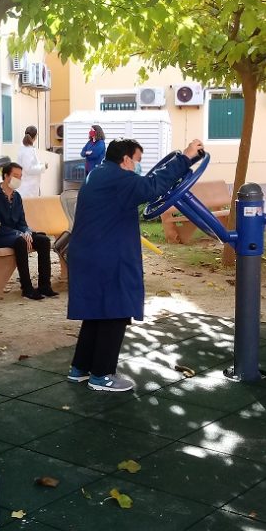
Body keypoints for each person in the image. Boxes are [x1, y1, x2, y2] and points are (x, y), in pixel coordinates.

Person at [67, 138, 204, 390]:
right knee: (116, 310)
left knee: (97, 312)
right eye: (138, 161)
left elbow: (149, 183)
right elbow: (152, 186)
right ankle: (102, 375)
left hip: (90, 253)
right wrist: (186, 157)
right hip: (105, 256)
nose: (139, 166)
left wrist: (186, 161)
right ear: (126, 159)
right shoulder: (119, 179)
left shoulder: (99, 174)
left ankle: (81, 368)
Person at [0, 162, 58, 301]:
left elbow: (22, 222)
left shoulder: (17, 196)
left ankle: (45, 286)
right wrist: (19, 234)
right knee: (20, 242)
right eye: (15, 175)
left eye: (20, 176)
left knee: (44, 241)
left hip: (15, 235)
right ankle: (27, 289)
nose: (18, 179)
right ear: (6, 176)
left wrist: (25, 231)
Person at [18, 125, 46, 198]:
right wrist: (43, 167)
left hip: (27, 187)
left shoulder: (26, 148)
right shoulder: (27, 150)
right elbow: (28, 169)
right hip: (27, 189)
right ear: (36, 136)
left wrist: (40, 165)